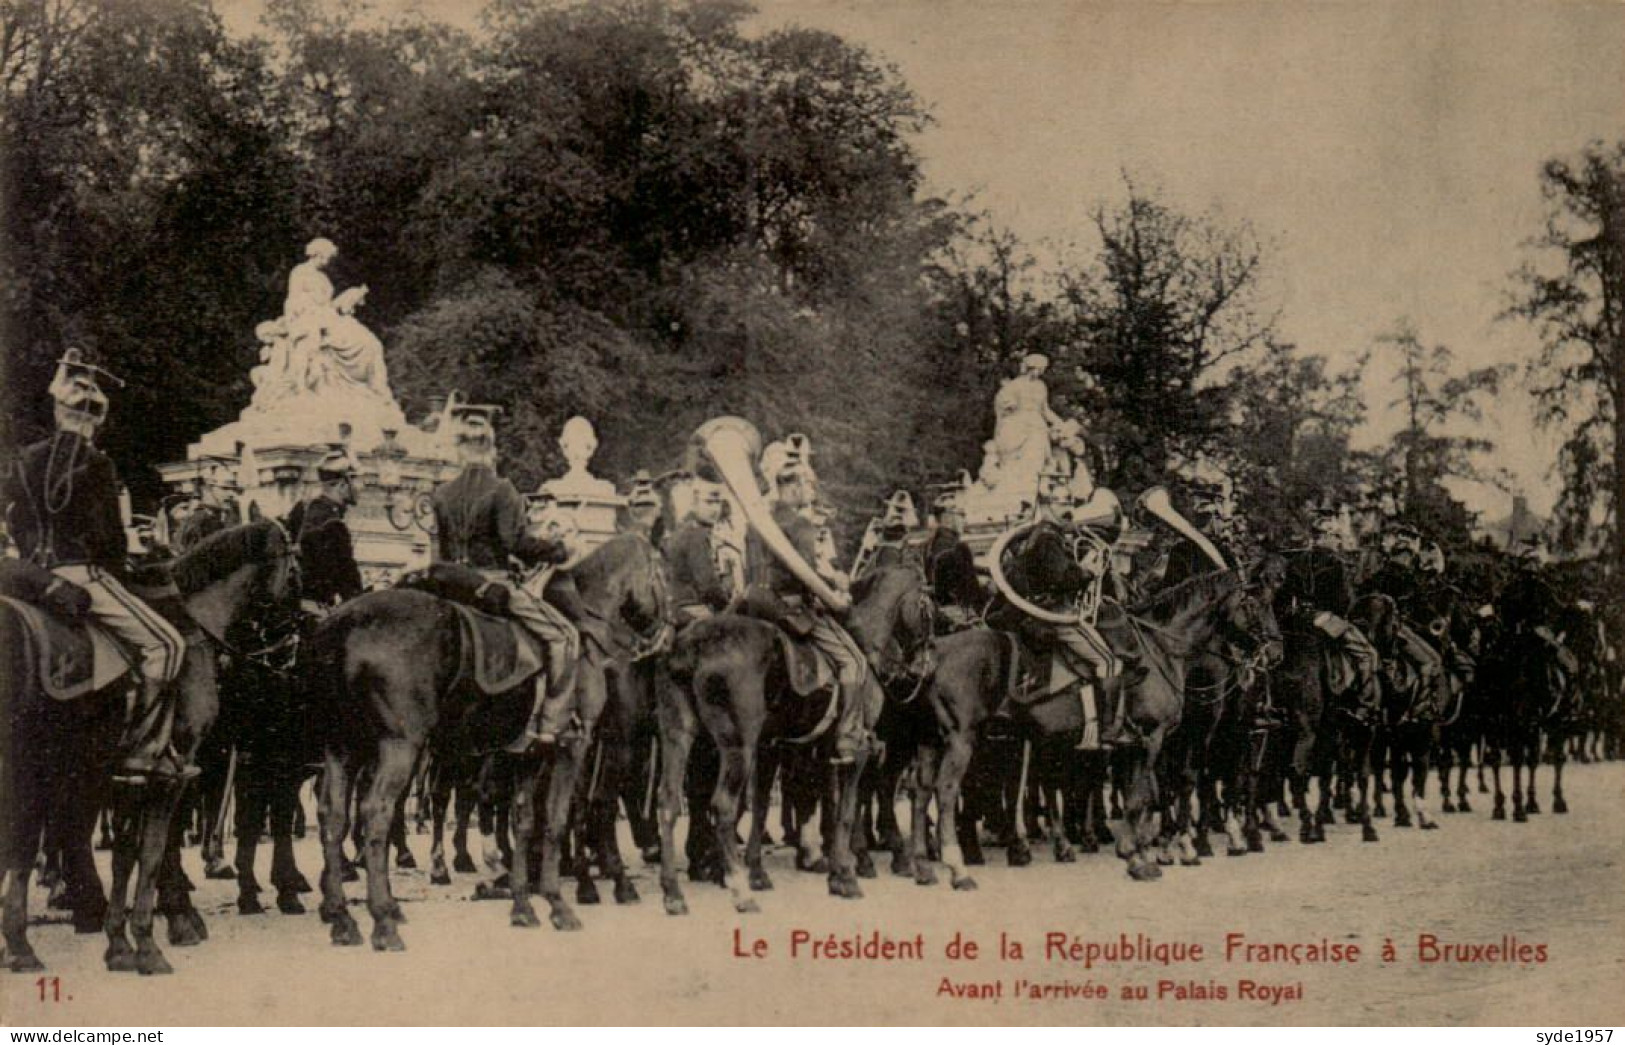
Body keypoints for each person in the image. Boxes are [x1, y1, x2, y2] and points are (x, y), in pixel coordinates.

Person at [2, 350, 194, 784]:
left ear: (58, 412)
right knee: (169, 646)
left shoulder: (26, 458)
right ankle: (139, 749)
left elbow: (17, 521)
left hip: (30, 573)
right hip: (81, 572)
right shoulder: (97, 462)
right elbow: (108, 538)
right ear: (94, 418)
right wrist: (121, 570)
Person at [430, 403, 579, 752]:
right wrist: (555, 549)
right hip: (491, 581)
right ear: (492, 448)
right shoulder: (503, 489)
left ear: (459, 447)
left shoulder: (440, 493)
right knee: (565, 637)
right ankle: (550, 726)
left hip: (451, 585)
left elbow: (438, 552)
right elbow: (516, 543)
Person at [746, 450, 877, 765]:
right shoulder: (800, 524)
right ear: (793, 487)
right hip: (790, 606)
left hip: (755, 603)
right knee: (854, 662)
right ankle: (848, 739)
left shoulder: (757, 522)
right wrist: (837, 589)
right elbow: (805, 575)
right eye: (810, 486)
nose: (812, 493)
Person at [1280, 504, 1380, 716]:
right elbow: (1344, 603)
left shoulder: (1295, 561)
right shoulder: (1337, 564)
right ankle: (1362, 706)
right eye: (1335, 538)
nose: (1337, 542)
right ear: (1328, 537)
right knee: (1367, 654)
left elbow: (1284, 596)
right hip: (1326, 620)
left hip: (1296, 618)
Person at [295, 449, 364, 610]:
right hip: (317, 610)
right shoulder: (334, 525)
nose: (362, 487)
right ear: (342, 485)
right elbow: (348, 582)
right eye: (357, 481)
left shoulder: (303, 510)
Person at [664, 483, 733, 624]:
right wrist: (728, 606)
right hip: (690, 608)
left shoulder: (683, 530)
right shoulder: (695, 535)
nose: (715, 509)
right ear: (694, 505)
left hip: (675, 607)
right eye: (708, 503)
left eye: (717, 503)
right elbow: (708, 586)